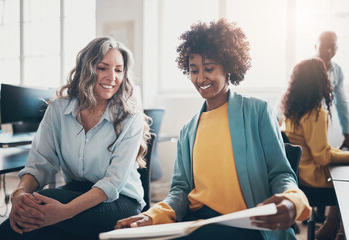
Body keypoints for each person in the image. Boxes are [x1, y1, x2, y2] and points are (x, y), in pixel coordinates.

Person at [115, 18, 311, 240]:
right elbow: (179, 192)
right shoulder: (188, 131)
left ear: (228, 67)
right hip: (199, 223)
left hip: (248, 225)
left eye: (209, 69)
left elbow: (281, 173)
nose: (200, 78)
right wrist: (151, 216)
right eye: (193, 70)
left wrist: (291, 200)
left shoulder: (257, 111)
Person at [0, 37, 151, 240]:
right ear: (87, 69)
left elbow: (113, 183)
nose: (112, 77)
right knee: (34, 213)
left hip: (120, 201)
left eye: (119, 70)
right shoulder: (58, 110)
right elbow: (40, 164)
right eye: (103, 68)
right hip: (77, 190)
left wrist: (63, 212)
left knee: (42, 205)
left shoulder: (130, 117)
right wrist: (19, 196)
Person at [282, 58, 349, 240]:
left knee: (342, 178)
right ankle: (341, 233)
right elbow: (322, 157)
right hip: (312, 179)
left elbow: (320, 150)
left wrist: (342, 154)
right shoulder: (316, 112)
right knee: (345, 182)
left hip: (299, 175)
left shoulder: (292, 112)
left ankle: (329, 229)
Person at [316, 31, 349, 149]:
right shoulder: (306, 68)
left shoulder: (337, 71)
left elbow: (341, 103)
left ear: (337, 48)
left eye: (332, 46)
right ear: (316, 47)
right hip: (304, 121)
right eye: (324, 46)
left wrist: (347, 133)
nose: (328, 50)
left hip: (322, 120)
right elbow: (289, 94)